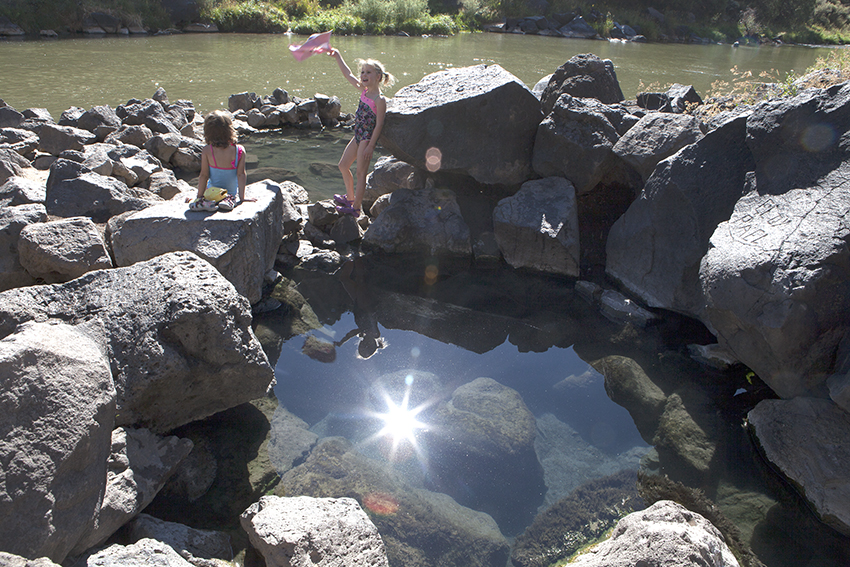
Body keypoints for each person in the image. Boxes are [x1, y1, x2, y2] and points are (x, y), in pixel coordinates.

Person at [328, 48, 395, 217]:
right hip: (357, 135)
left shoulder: (379, 100)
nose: (364, 75)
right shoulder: (364, 90)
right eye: (363, 72)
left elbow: (379, 124)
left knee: (360, 173)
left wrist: (371, 146)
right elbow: (347, 74)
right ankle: (350, 198)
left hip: (366, 138)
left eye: (368, 72)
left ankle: (356, 208)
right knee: (343, 165)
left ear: (378, 77)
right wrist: (337, 55)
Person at [189, 109, 254, 212]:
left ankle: (205, 202)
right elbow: (241, 174)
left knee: (206, 195)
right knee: (230, 196)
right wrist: (242, 198)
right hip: (230, 193)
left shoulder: (207, 150)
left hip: (211, 193)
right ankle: (228, 200)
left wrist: (199, 196)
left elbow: (204, 175)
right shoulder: (239, 150)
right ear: (230, 129)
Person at [334, 258, 386, 359]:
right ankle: (357, 256)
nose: (360, 343)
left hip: (358, 305)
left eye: (360, 345)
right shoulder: (375, 334)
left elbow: (351, 333)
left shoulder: (363, 332)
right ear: (370, 345)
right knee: (360, 280)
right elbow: (354, 332)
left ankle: (349, 260)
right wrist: (342, 341)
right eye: (363, 346)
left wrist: (341, 342)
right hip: (366, 305)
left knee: (344, 279)